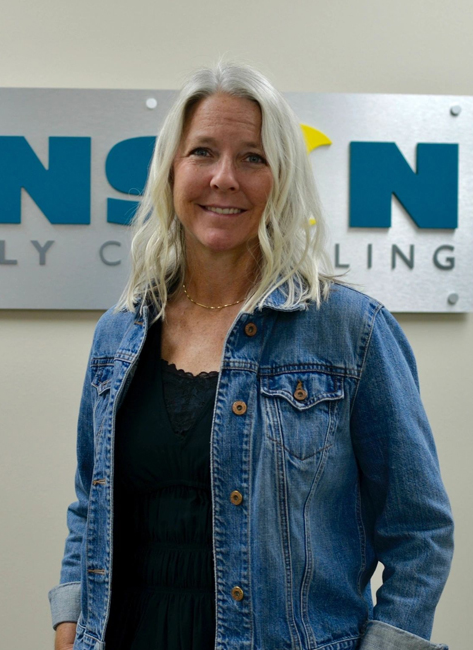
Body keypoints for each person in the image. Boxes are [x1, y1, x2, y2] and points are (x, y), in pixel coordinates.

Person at [49, 62, 454, 650]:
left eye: (252, 158)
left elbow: (419, 530)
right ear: (170, 170)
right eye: (202, 152)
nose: (224, 178)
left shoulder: (351, 331)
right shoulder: (119, 334)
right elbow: (91, 501)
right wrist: (69, 621)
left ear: (282, 179)